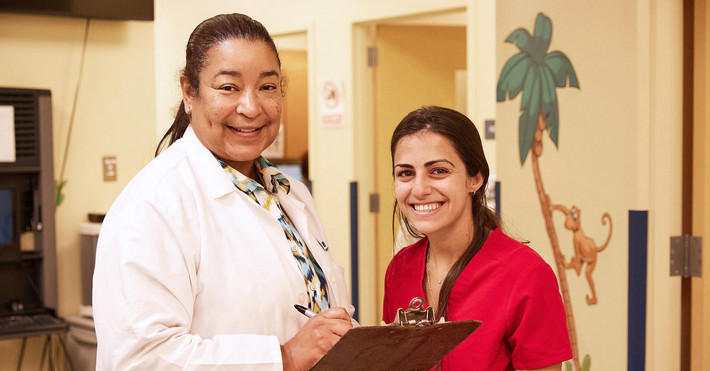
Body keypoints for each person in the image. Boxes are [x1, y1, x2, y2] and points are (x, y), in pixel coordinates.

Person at [92, 13, 353, 370]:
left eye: (267, 87)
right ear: (189, 92)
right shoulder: (154, 205)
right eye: (228, 88)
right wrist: (285, 356)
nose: (251, 107)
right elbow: (141, 359)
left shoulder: (291, 195)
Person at [382, 106, 572, 370]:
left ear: (476, 178)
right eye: (406, 173)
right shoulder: (399, 270)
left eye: (438, 171)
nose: (420, 188)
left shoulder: (526, 276)